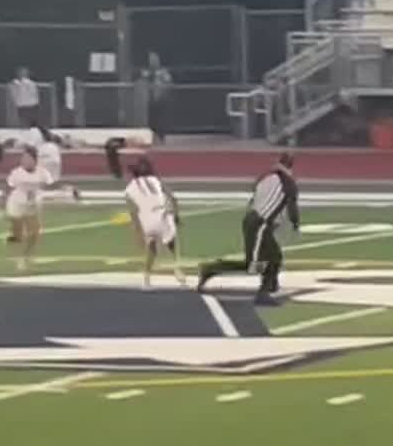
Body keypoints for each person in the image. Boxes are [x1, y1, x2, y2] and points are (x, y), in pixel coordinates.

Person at [196, 153, 301, 305]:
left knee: (273, 257)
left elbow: (256, 198)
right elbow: (291, 207)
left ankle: (270, 284)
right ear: (291, 166)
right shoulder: (289, 184)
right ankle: (262, 291)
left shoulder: (265, 177)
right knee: (255, 264)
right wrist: (295, 224)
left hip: (254, 220)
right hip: (260, 223)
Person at [123, 157, 184, 288]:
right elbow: (173, 198)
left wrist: (138, 233)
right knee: (172, 242)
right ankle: (177, 269)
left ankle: (146, 277)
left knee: (152, 248)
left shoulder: (128, 189)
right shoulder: (155, 180)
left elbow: (133, 213)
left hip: (146, 221)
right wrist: (176, 215)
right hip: (161, 216)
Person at [0, 148, 52, 273]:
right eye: (23, 158)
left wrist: (66, 188)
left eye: (28, 158)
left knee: (34, 233)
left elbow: (51, 184)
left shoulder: (42, 173)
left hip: (32, 205)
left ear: (35, 160)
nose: (25, 161)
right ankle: (14, 242)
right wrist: (0, 201)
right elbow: (8, 187)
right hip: (16, 204)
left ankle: (24, 257)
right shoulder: (17, 173)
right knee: (19, 236)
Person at [34, 127, 82, 203]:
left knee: (43, 182)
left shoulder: (38, 138)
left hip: (45, 158)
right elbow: (64, 144)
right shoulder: (52, 138)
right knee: (52, 181)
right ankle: (71, 189)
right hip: (54, 157)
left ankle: (70, 190)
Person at [139, 53, 174, 140]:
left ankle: (161, 136)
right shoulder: (146, 72)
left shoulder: (163, 72)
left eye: (154, 59)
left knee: (161, 120)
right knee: (151, 120)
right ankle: (152, 136)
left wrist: (161, 79)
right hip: (150, 100)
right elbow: (141, 81)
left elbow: (169, 81)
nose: (153, 62)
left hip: (160, 99)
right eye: (151, 60)